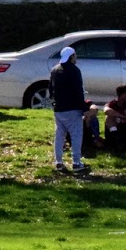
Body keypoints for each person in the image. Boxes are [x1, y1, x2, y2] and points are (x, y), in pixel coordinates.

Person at [49, 46, 89, 174]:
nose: (76, 58)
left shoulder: (55, 70)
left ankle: (59, 162)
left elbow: (51, 88)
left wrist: (53, 103)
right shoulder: (74, 70)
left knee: (59, 135)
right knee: (76, 135)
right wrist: (84, 108)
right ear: (71, 56)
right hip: (72, 109)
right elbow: (78, 91)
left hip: (59, 108)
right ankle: (76, 163)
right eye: (75, 55)